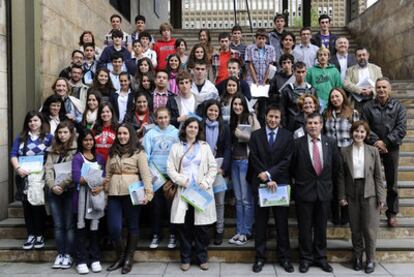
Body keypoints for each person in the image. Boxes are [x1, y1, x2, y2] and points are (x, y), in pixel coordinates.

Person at [290, 112, 340, 273]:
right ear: (306, 125)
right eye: (310, 123)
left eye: (316, 123)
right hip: (304, 192)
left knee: (321, 228)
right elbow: (291, 168)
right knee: (304, 228)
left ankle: (321, 258)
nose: (313, 126)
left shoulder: (330, 143)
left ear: (321, 125)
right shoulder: (297, 144)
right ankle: (305, 258)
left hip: (324, 192)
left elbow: (336, 168)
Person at [167, 118, 218, 271]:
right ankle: (185, 258)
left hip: (201, 191)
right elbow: (170, 168)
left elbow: (213, 167)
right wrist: (182, 181)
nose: (193, 129)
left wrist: (206, 182)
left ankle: (202, 258)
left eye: (195, 127)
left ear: (198, 130)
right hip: (184, 191)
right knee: (185, 227)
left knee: (202, 228)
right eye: (190, 126)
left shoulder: (204, 146)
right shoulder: (176, 147)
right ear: (185, 128)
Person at [248, 106, 294, 273]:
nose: (273, 120)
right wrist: (265, 177)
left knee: (282, 224)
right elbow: (253, 157)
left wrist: (270, 174)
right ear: (265, 117)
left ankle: (285, 258)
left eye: (276, 117)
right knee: (260, 224)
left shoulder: (288, 136)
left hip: (280, 186)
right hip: (261, 185)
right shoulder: (256, 136)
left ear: (280, 119)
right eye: (271, 116)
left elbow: (287, 160)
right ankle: (259, 257)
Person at [104, 123, 153, 274]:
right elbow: (107, 175)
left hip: (133, 193)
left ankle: (128, 258)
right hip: (113, 193)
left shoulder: (139, 152)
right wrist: (105, 194)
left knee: (133, 226)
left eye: (125, 133)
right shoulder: (112, 152)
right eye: (119, 134)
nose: (122, 136)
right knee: (114, 228)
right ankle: (120, 256)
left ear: (131, 134)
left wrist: (148, 193)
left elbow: (145, 174)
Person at [338, 120, 385, 274]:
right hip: (352, 193)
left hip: (369, 192)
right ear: (352, 133)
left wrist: (381, 197)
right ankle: (358, 257)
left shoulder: (373, 151)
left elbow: (378, 176)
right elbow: (341, 176)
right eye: (356, 131)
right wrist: (342, 196)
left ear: (366, 134)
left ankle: (370, 259)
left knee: (369, 229)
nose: (359, 134)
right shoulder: (344, 151)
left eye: (362, 132)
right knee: (355, 228)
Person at [361, 77, 407, 227]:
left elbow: (401, 128)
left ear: (389, 89)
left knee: (392, 182)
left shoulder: (398, 107)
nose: (381, 90)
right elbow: (364, 126)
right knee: (371, 180)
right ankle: (372, 211)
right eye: (378, 87)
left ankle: (392, 213)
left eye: (384, 87)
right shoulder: (368, 107)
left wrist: (385, 142)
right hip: (372, 147)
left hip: (391, 147)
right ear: (375, 89)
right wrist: (376, 141)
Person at [10, 111, 53, 250]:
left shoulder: (48, 138)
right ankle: (31, 235)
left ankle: (40, 235)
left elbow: (52, 157)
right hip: (24, 176)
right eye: (30, 121)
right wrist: (18, 169)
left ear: (41, 122)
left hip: (40, 177)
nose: (32, 123)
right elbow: (13, 154)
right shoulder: (21, 137)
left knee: (39, 206)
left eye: (35, 120)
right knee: (27, 206)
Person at [143, 107, 179, 249]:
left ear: (169, 118)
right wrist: (147, 173)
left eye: (165, 117)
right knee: (156, 208)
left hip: (170, 176)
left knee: (172, 208)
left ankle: (173, 235)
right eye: (160, 118)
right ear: (156, 119)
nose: (163, 120)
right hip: (155, 177)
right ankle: (156, 235)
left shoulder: (176, 133)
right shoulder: (150, 134)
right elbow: (145, 154)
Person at [72, 129, 106, 274]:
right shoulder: (77, 158)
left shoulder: (99, 158)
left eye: (91, 140)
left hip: (95, 199)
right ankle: (81, 260)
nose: (88, 142)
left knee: (94, 231)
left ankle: (95, 259)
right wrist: (97, 179)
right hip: (80, 200)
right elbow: (76, 178)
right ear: (81, 142)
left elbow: (104, 178)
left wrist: (98, 182)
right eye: (85, 140)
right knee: (81, 231)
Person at [324, 88, 359, 225]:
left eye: (337, 96)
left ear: (343, 97)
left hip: (347, 151)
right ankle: (334, 215)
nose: (335, 99)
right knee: (332, 183)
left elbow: (358, 133)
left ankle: (346, 215)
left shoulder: (352, 113)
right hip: (331, 153)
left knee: (346, 184)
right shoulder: (326, 114)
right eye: (332, 97)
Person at [228, 94, 261, 245]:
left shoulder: (251, 117)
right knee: (239, 199)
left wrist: (243, 135)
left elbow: (259, 138)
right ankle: (239, 230)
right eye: (235, 104)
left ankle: (246, 231)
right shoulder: (232, 120)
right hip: (234, 162)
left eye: (240, 104)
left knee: (247, 200)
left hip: (246, 162)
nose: (237, 107)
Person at [45, 121, 78, 269]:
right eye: (60, 132)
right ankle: (61, 253)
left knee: (69, 225)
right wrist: (52, 186)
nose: (62, 135)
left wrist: (62, 185)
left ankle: (69, 254)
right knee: (58, 225)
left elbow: (74, 171)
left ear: (70, 133)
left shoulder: (76, 149)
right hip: (54, 192)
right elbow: (48, 169)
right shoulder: (52, 149)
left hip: (69, 190)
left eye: (65, 132)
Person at [201, 100, 231, 245]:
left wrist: (223, 168)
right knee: (204, 202)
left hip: (218, 171)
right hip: (203, 172)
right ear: (206, 110)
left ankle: (219, 231)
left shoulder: (224, 127)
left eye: (216, 111)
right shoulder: (199, 126)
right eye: (210, 110)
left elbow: (227, 149)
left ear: (219, 113)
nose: (213, 113)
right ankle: (205, 232)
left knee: (219, 202)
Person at [344, 47, 383, 111]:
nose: (362, 57)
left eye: (364, 55)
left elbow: (381, 83)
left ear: (368, 56)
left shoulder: (376, 69)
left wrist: (372, 91)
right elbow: (346, 84)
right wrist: (360, 90)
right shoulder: (350, 70)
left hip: (374, 100)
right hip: (357, 102)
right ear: (356, 57)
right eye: (359, 55)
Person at [280, 61, 316, 129]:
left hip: (309, 125)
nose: (301, 75)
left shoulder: (312, 90)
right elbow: (282, 111)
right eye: (298, 72)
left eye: (303, 72)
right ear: (294, 72)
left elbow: (316, 109)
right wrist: (284, 126)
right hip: (291, 125)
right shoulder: (287, 90)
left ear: (306, 72)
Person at [306, 46, 342, 110]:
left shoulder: (334, 70)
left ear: (328, 57)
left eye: (325, 55)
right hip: (316, 101)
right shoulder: (310, 71)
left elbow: (339, 87)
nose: (323, 57)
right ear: (317, 57)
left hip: (331, 101)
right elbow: (307, 87)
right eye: (320, 55)